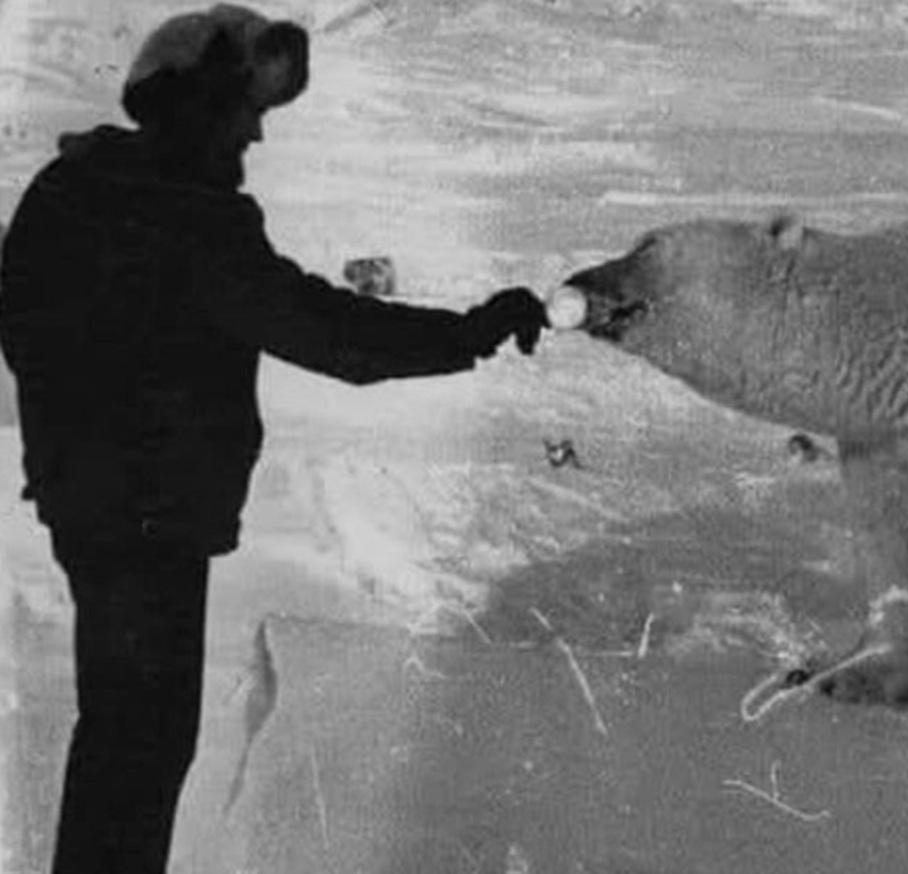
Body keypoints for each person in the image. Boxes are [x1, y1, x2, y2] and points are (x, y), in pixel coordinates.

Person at [0, 5, 548, 872]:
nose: (255, 134)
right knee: (143, 744)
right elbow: (330, 334)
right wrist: (467, 333)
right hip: (151, 521)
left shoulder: (68, 190)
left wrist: (84, 425)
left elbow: (20, 323)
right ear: (196, 101)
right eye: (243, 111)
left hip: (90, 506)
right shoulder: (191, 220)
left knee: (119, 736)